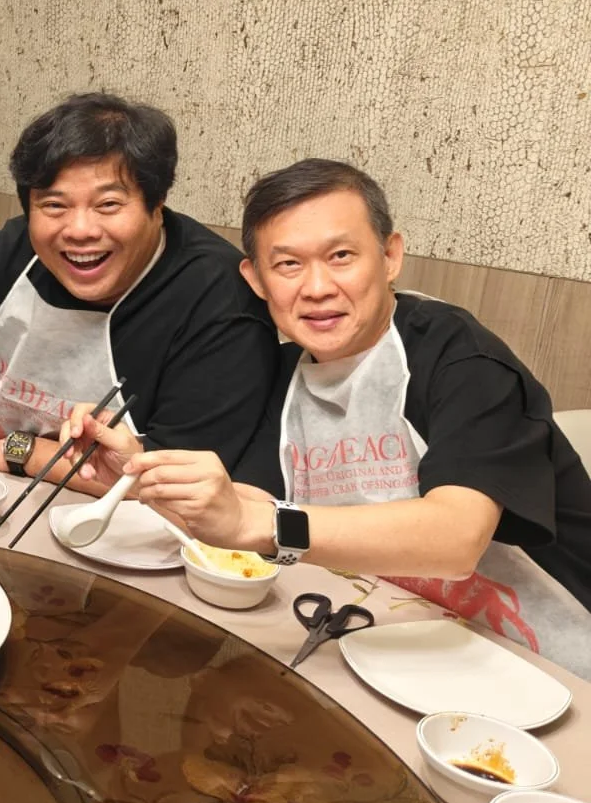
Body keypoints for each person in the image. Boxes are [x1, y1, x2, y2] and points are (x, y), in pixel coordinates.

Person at [76, 159, 591, 675]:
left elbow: (457, 538)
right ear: (255, 279)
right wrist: (141, 473)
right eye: (288, 265)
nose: (317, 287)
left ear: (390, 256)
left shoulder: (462, 359)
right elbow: (249, 505)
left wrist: (257, 521)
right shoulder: (279, 371)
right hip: (386, 643)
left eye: (341, 256)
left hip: (543, 659)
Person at [0, 93, 277, 493]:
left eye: (108, 205)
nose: (79, 231)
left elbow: (179, 484)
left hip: (140, 531)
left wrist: (19, 451)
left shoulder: (220, 297)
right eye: (54, 205)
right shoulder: (20, 248)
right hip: (8, 492)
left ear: (157, 204)